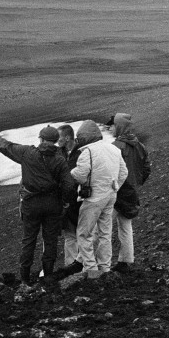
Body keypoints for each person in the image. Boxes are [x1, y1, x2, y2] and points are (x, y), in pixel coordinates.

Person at [0, 126, 74, 285]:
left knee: (29, 240)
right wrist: (64, 201)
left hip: (31, 204)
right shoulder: (60, 159)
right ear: (56, 141)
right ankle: (48, 275)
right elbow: (69, 184)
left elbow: (8, 147)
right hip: (52, 205)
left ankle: (24, 279)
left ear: (41, 139)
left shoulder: (27, 153)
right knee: (50, 240)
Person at [70, 120, 128, 279]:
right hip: (110, 195)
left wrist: (70, 175)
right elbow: (123, 173)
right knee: (105, 233)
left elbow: (81, 175)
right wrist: (114, 187)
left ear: (84, 137)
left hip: (93, 198)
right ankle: (105, 268)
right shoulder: (113, 149)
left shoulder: (87, 152)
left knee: (84, 234)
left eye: (79, 137)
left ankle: (91, 269)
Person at [108, 113, 150, 272]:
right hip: (131, 193)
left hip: (115, 194)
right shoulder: (140, 146)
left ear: (119, 126)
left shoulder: (114, 147)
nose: (110, 128)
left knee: (102, 229)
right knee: (125, 227)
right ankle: (126, 260)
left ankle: (97, 264)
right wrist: (135, 183)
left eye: (112, 125)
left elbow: (109, 171)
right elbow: (146, 169)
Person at [55, 124, 80, 270]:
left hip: (78, 200)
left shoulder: (82, 152)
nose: (57, 141)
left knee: (81, 234)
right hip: (66, 200)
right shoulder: (60, 153)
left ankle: (84, 265)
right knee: (70, 235)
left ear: (67, 137)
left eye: (59, 137)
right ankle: (71, 266)